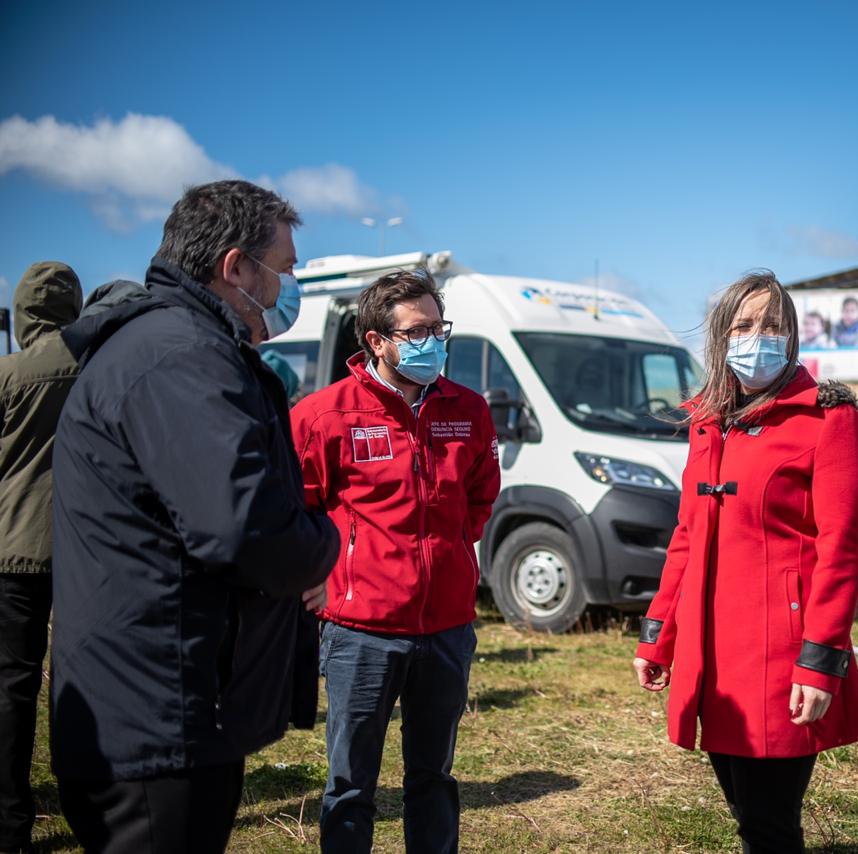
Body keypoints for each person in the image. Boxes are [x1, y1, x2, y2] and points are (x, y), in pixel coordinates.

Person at [50, 180, 339, 854]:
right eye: (286, 269)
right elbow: (240, 522)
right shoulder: (180, 355)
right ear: (235, 266)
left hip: (167, 696)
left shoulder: (172, 345)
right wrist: (322, 544)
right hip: (158, 712)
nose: (287, 289)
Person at [633, 270, 858, 853]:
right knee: (744, 814)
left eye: (772, 324)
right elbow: (686, 536)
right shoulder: (707, 423)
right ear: (721, 336)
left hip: (779, 656)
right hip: (712, 657)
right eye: (743, 324)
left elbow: (843, 550)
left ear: (792, 336)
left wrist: (820, 664)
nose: (757, 335)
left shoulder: (829, 418)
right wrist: (657, 636)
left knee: (769, 825)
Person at [290, 269, 500, 854]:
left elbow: (482, 496)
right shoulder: (323, 416)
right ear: (377, 341)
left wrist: (451, 551)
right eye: (417, 331)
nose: (433, 340)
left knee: (432, 777)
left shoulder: (469, 410)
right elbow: (296, 510)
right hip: (361, 631)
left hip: (447, 628)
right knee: (350, 783)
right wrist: (317, 579)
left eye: (439, 327)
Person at [0, 262, 81, 854]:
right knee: (83, 683)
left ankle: (10, 823)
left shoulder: (6, 373)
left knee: (11, 686)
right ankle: (95, 807)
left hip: (13, 547)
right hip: (89, 548)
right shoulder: (101, 367)